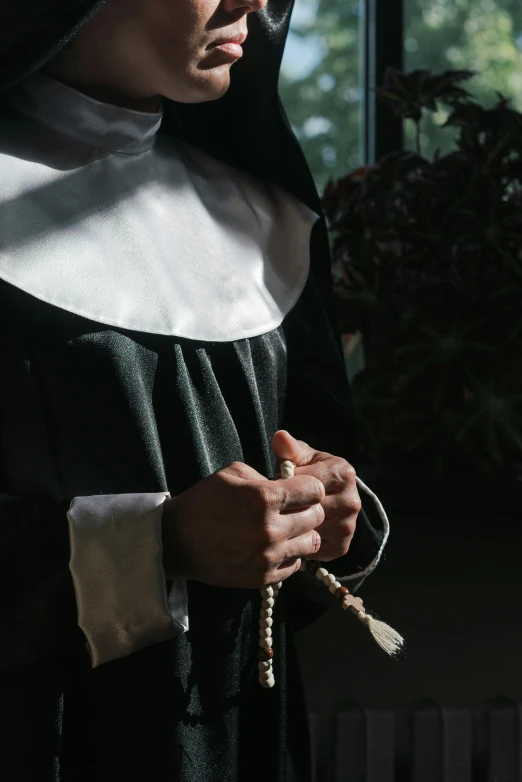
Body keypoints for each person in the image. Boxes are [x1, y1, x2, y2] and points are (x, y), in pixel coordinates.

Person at [0, 1, 386, 780]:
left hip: (240, 735)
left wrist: (331, 512)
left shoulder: (266, 219)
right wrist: (159, 543)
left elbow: (322, 450)